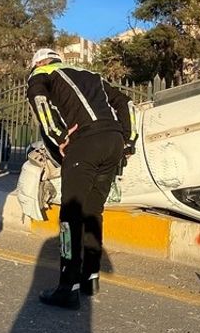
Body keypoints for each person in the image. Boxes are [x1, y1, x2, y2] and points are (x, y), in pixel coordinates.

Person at [25, 47, 136, 310]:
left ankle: (68, 287)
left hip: (84, 143)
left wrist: (60, 137)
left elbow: (41, 104)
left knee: (70, 216)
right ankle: (90, 278)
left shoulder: (41, 74)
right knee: (93, 213)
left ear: (39, 62)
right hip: (113, 141)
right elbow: (127, 103)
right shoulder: (91, 74)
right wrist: (128, 140)